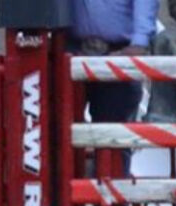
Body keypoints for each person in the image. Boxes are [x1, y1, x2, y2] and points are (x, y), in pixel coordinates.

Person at [68, 0, 159, 174]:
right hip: (71, 51)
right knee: (61, 132)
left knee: (113, 139)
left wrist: (139, 43)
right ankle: (63, 197)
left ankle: (112, 198)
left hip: (117, 53)